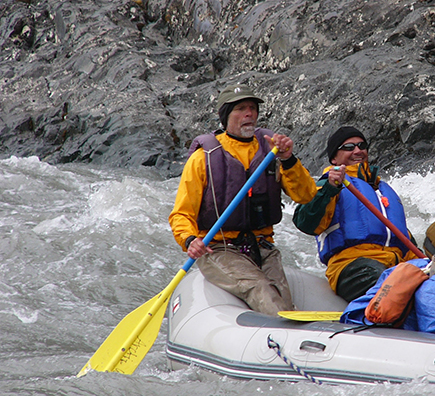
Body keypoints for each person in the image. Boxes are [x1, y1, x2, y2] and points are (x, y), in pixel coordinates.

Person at [169, 83, 318, 315]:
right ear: (226, 116)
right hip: (219, 249)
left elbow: (306, 195)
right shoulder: (203, 158)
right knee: (260, 288)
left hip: (262, 246)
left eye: (252, 108)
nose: (249, 113)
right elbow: (182, 213)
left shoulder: (273, 150)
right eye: (240, 109)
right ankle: (288, 333)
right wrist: (189, 240)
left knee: (280, 297)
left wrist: (288, 159)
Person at [292, 126, 418, 301]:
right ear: (334, 159)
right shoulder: (327, 183)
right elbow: (305, 222)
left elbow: (404, 239)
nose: (358, 151)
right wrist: (330, 189)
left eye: (361, 145)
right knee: (386, 280)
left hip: (394, 264)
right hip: (352, 266)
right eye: (349, 147)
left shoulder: (383, 190)